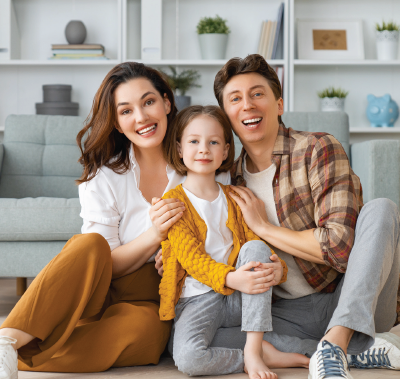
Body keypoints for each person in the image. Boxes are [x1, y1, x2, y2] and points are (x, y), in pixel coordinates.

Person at [0, 62, 233, 378]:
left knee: (150, 333)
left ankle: (21, 353)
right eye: (126, 111)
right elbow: (105, 262)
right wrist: (154, 234)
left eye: (148, 102)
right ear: (117, 124)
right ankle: (8, 339)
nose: (141, 117)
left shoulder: (202, 160)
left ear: (166, 103)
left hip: (151, 296)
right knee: (89, 244)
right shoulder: (104, 176)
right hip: (100, 286)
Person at [205, 54, 400, 378]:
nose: (247, 106)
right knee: (195, 336)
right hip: (282, 313)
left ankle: (338, 341)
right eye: (235, 99)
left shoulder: (317, 149)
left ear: (279, 104)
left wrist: (263, 227)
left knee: (382, 209)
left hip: (348, 298)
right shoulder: (226, 179)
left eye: (257, 94)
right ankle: (352, 351)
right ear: (226, 116)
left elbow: (339, 248)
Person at [159, 104, 309, 379]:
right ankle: (256, 356)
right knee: (188, 357)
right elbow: (192, 260)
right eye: (194, 141)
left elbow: (258, 245)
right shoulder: (174, 203)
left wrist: (279, 271)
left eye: (213, 142)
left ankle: (254, 350)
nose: (204, 149)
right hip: (196, 300)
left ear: (226, 150)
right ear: (180, 148)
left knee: (255, 247)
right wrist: (231, 279)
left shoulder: (237, 198)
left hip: (243, 298)